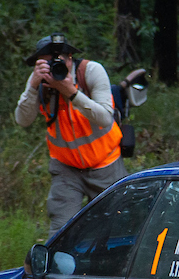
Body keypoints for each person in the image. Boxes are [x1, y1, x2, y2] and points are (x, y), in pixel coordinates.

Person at [15, 33, 125, 237]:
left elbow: (105, 118)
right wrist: (32, 85)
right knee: (61, 229)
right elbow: (22, 120)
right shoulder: (40, 83)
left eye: (60, 61)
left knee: (114, 227)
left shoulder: (90, 71)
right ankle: (58, 267)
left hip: (105, 164)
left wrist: (71, 92)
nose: (55, 67)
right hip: (66, 168)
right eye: (48, 63)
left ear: (70, 58)